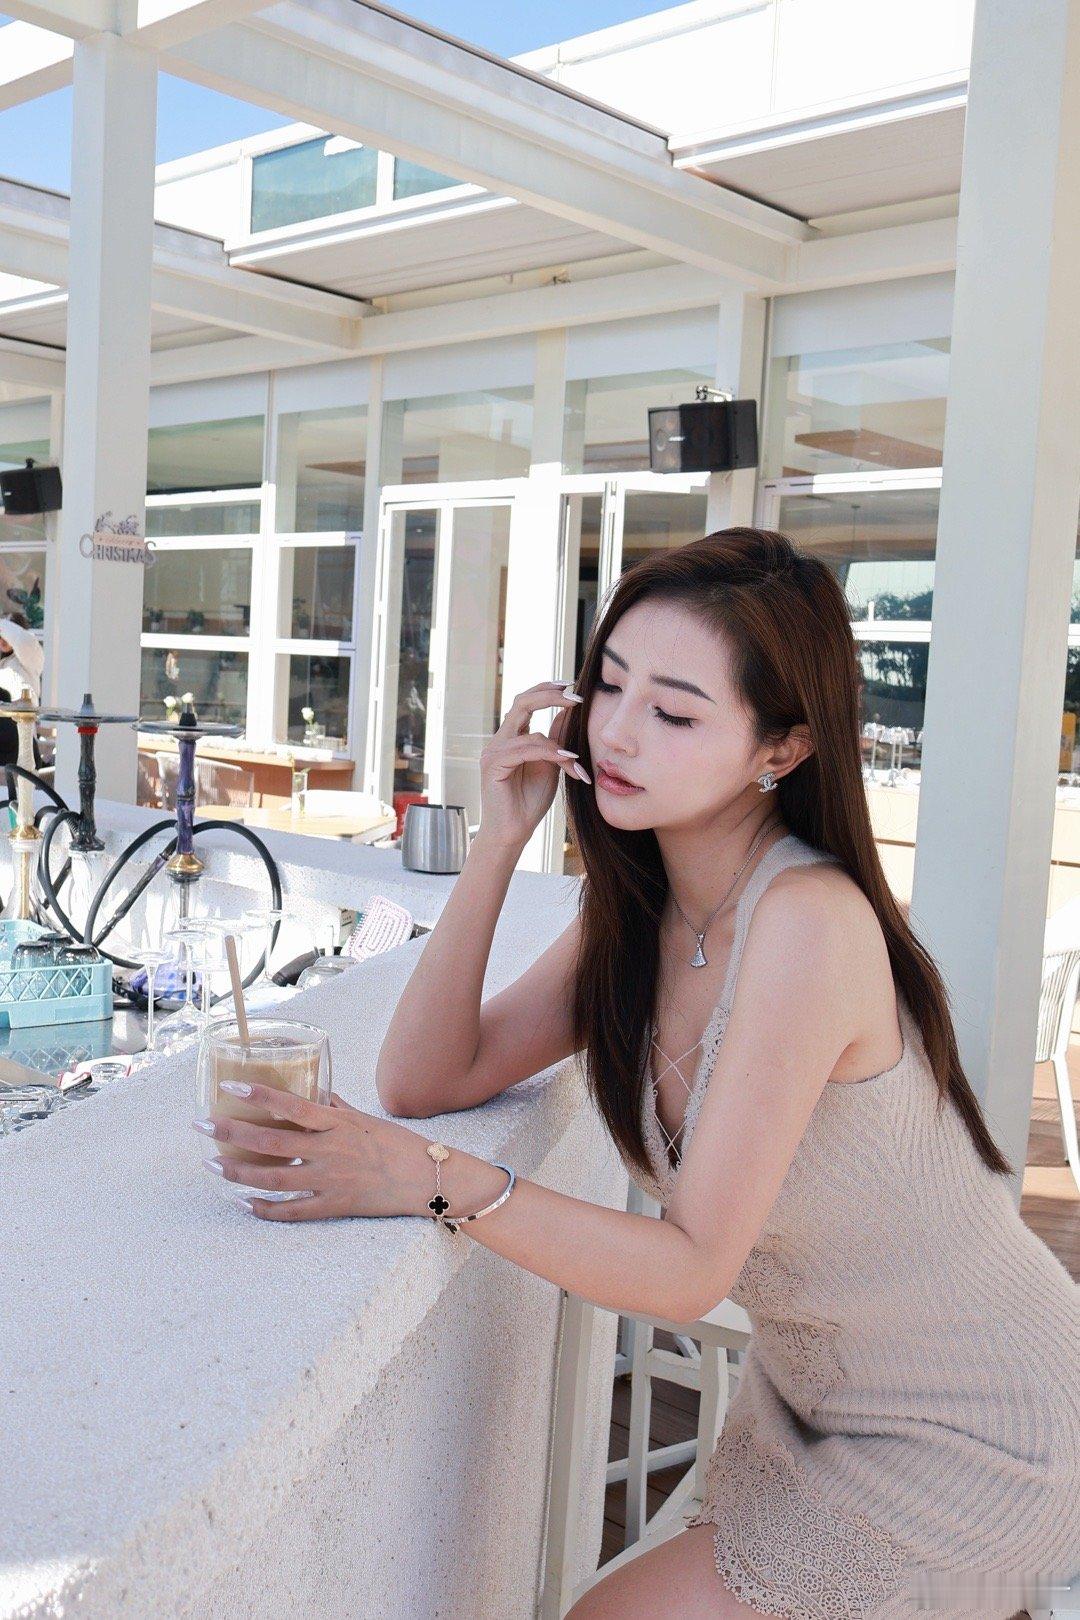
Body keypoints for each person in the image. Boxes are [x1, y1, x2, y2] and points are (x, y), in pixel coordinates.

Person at [194, 527, 1079, 1619]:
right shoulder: (648, 909)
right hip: (807, 1406)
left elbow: (689, 1269)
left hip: (985, 1430)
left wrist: (423, 1177)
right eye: (609, 685)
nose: (614, 731)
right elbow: (426, 1076)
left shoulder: (807, 923)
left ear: (781, 749)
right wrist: (497, 841)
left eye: (675, 713)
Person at [0, 612, 44, 767]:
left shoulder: (30, 658)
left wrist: (3, 625)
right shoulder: (3, 664)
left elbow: (23, 641)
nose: (3, 639)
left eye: (6, 634)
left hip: (21, 738)